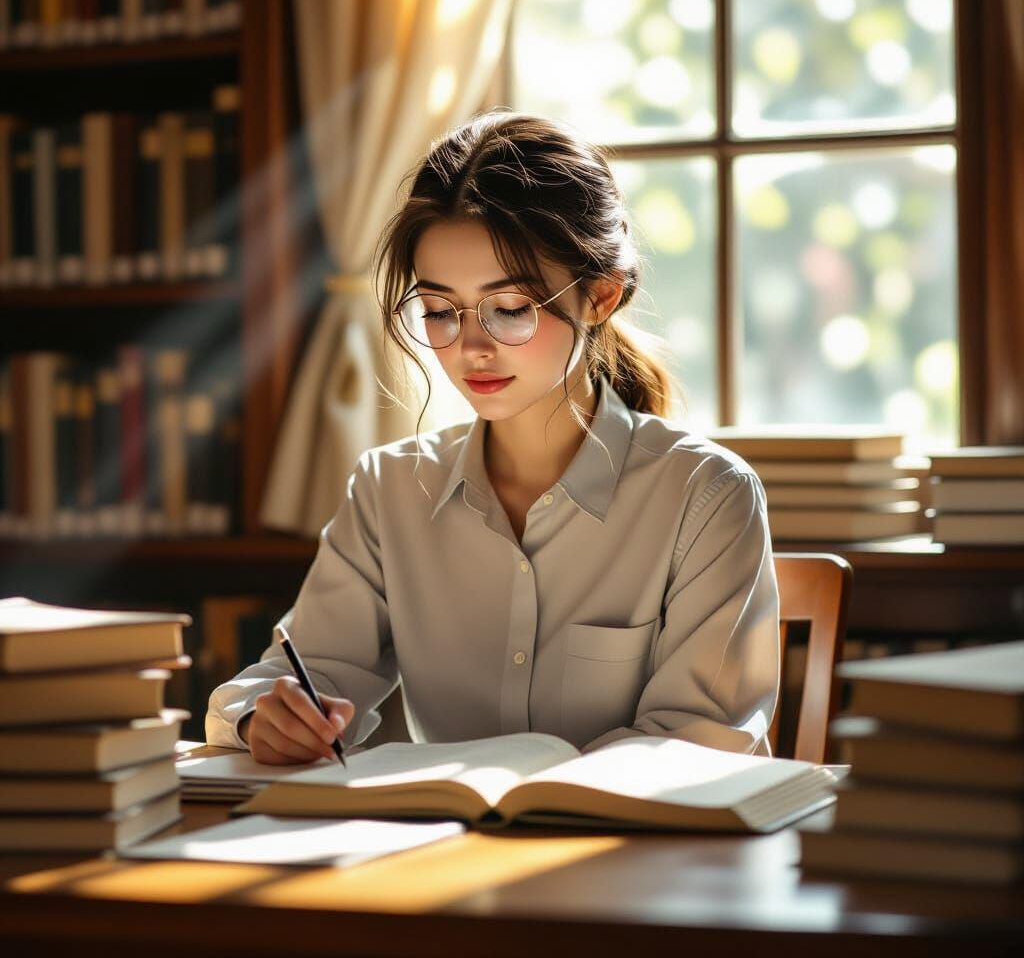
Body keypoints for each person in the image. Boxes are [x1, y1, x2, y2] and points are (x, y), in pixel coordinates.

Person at [206, 111, 780, 764]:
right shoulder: (389, 489)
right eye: (441, 312)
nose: (470, 347)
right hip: (450, 857)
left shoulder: (705, 497)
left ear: (599, 297)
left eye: (509, 309)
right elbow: (302, 675)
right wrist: (269, 719)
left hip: (642, 857)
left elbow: (698, 746)